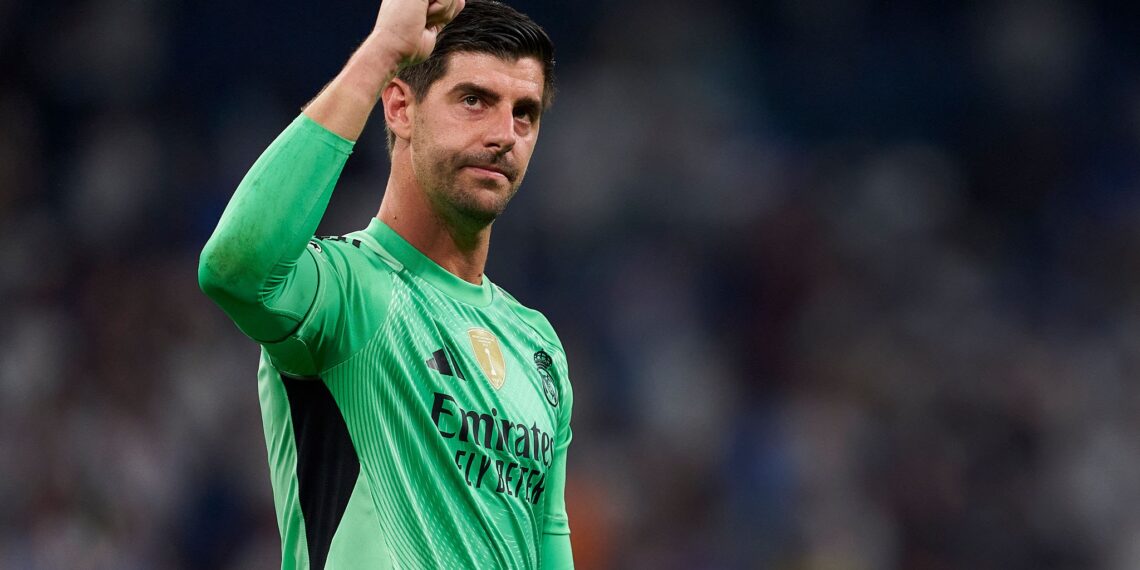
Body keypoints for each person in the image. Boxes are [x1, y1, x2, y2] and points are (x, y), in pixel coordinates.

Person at [197, 0, 574, 567]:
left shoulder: (538, 344)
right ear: (399, 106)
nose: (505, 134)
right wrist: (380, 53)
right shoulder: (347, 289)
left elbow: (549, 545)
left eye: (525, 112)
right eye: (474, 100)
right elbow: (234, 270)